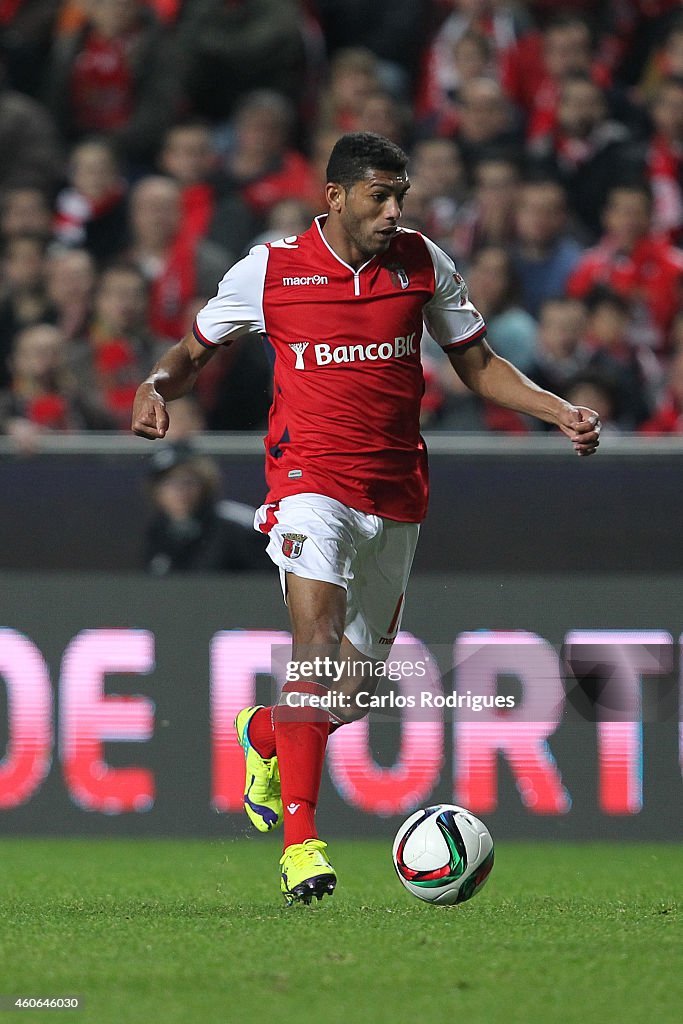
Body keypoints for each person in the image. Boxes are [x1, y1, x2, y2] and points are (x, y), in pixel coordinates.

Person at [131, 132, 600, 905]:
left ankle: (263, 733)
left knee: (344, 695)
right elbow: (191, 349)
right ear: (336, 197)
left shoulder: (422, 263)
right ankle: (301, 845)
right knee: (312, 649)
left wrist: (556, 410)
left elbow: (476, 365)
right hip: (307, 480)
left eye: (400, 197)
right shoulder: (269, 267)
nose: (392, 211)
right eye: (379, 196)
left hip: (396, 494)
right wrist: (155, 382)